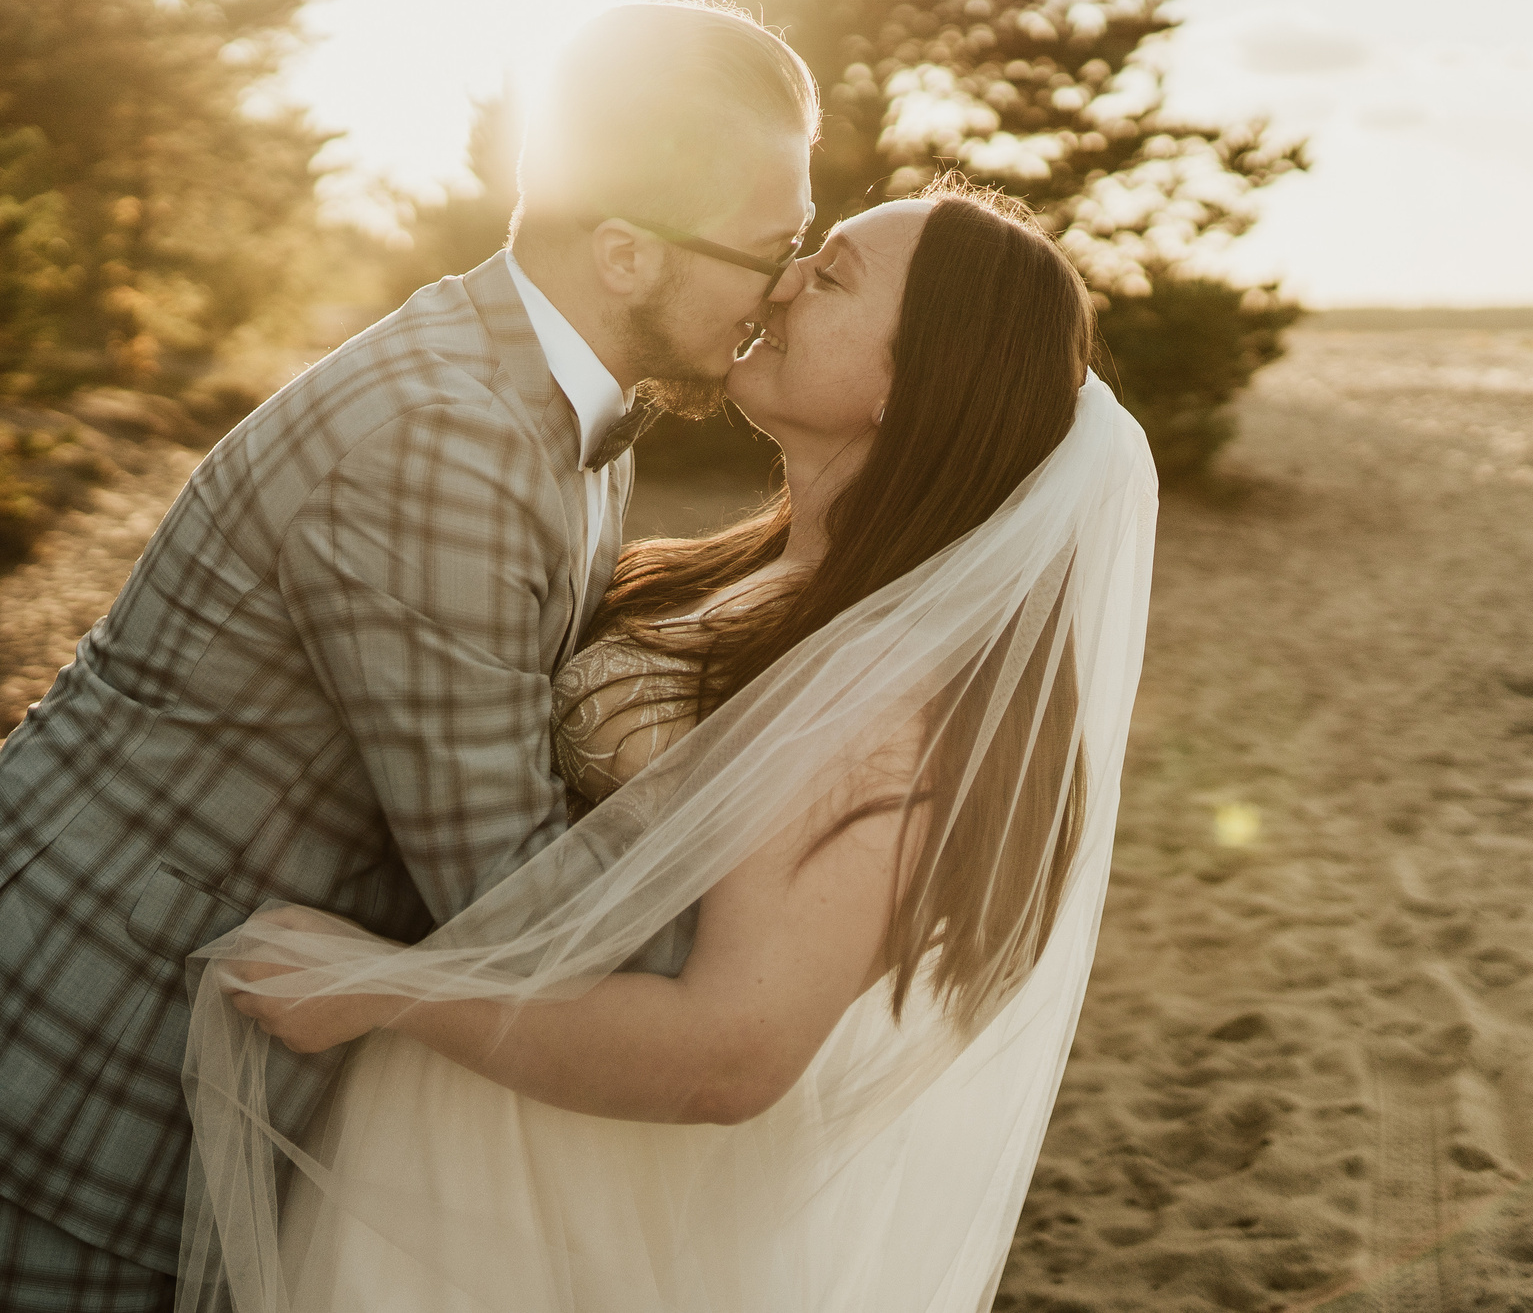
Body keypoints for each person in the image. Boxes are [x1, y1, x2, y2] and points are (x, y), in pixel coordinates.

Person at [0, 0, 818, 1312]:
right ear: (627, 253)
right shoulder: (444, 438)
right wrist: (767, 989)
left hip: (200, 1026)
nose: (786, 291)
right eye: (773, 250)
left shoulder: (577, 401)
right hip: (78, 1051)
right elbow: (503, 886)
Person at [183, 182, 1161, 1313]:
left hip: (576, 1197)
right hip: (483, 1135)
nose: (780, 280)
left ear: (910, 385)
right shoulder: (753, 574)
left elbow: (731, 1055)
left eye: (830, 275)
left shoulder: (888, 697)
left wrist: (384, 993)